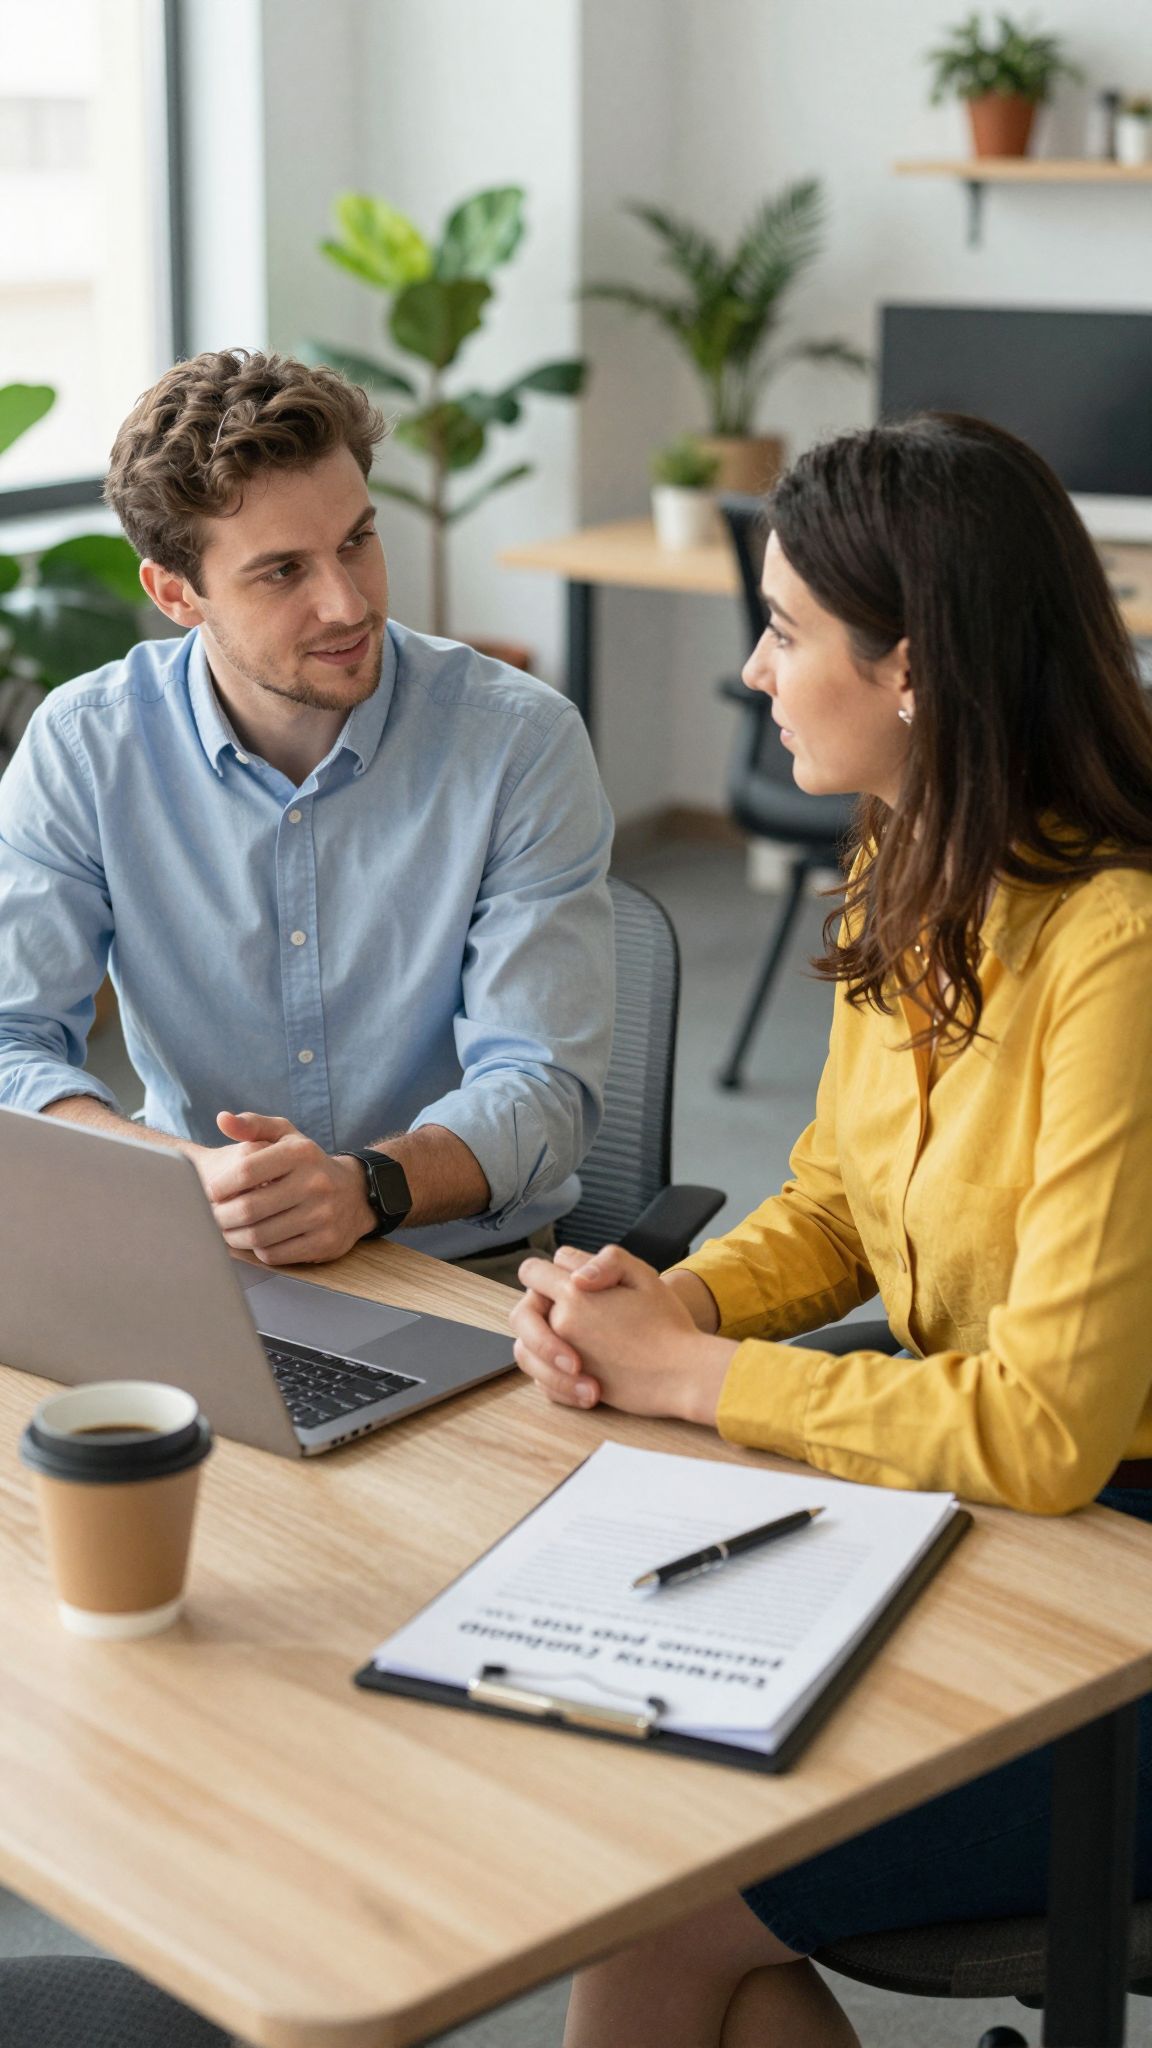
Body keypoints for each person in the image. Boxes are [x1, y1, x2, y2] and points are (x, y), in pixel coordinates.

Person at [508, 413, 1152, 2048]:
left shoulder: (1119, 951)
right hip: (1004, 1524)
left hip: (1112, 1584)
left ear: (914, 666)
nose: (748, 670)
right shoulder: (910, 847)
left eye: (786, 628)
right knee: (643, 1811)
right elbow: (837, 1201)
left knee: (657, 1904)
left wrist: (689, 1380)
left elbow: (1042, 1426)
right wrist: (669, 1298)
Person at [0, 349, 613, 1280]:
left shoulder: (517, 742)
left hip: (461, 1268)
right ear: (175, 594)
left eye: (357, 540)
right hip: (206, 1256)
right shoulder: (87, 746)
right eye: (283, 571)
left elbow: (541, 1088)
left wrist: (363, 1189)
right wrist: (192, 1179)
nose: (348, 602)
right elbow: (10, 1042)